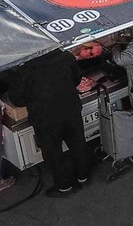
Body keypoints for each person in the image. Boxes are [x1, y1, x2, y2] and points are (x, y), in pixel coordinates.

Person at [8, 49, 88, 196]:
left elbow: (17, 100)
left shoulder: (26, 70)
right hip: (71, 109)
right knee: (78, 145)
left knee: (54, 154)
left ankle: (64, 187)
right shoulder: (65, 56)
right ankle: (83, 177)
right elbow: (76, 78)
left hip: (45, 118)